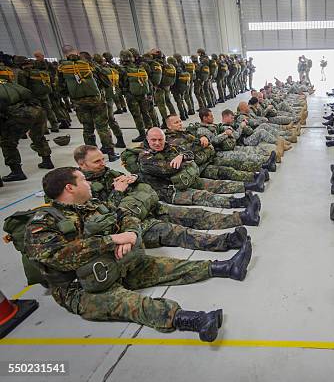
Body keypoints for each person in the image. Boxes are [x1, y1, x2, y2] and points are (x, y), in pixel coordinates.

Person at [23, 167, 252, 342]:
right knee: (132, 304)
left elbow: (125, 215)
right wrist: (111, 240)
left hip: (119, 264)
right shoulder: (42, 222)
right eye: (82, 179)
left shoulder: (91, 205)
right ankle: (194, 320)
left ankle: (224, 267)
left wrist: (130, 233)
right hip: (81, 288)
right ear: (69, 188)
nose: (88, 183)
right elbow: (58, 255)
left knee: (166, 266)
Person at [76, 144, 257, 237]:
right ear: (81, 164)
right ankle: (226, 246)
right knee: (181, 233)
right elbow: (102, 220)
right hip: (133, 222)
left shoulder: (108, 172)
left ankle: (242, 217)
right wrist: (118, 192)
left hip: (150, 204)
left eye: (103, 159)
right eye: (97, 161)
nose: (104, 164)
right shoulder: (81, 188)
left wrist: (133, 179)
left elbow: (137, 179)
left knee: (194, 214)